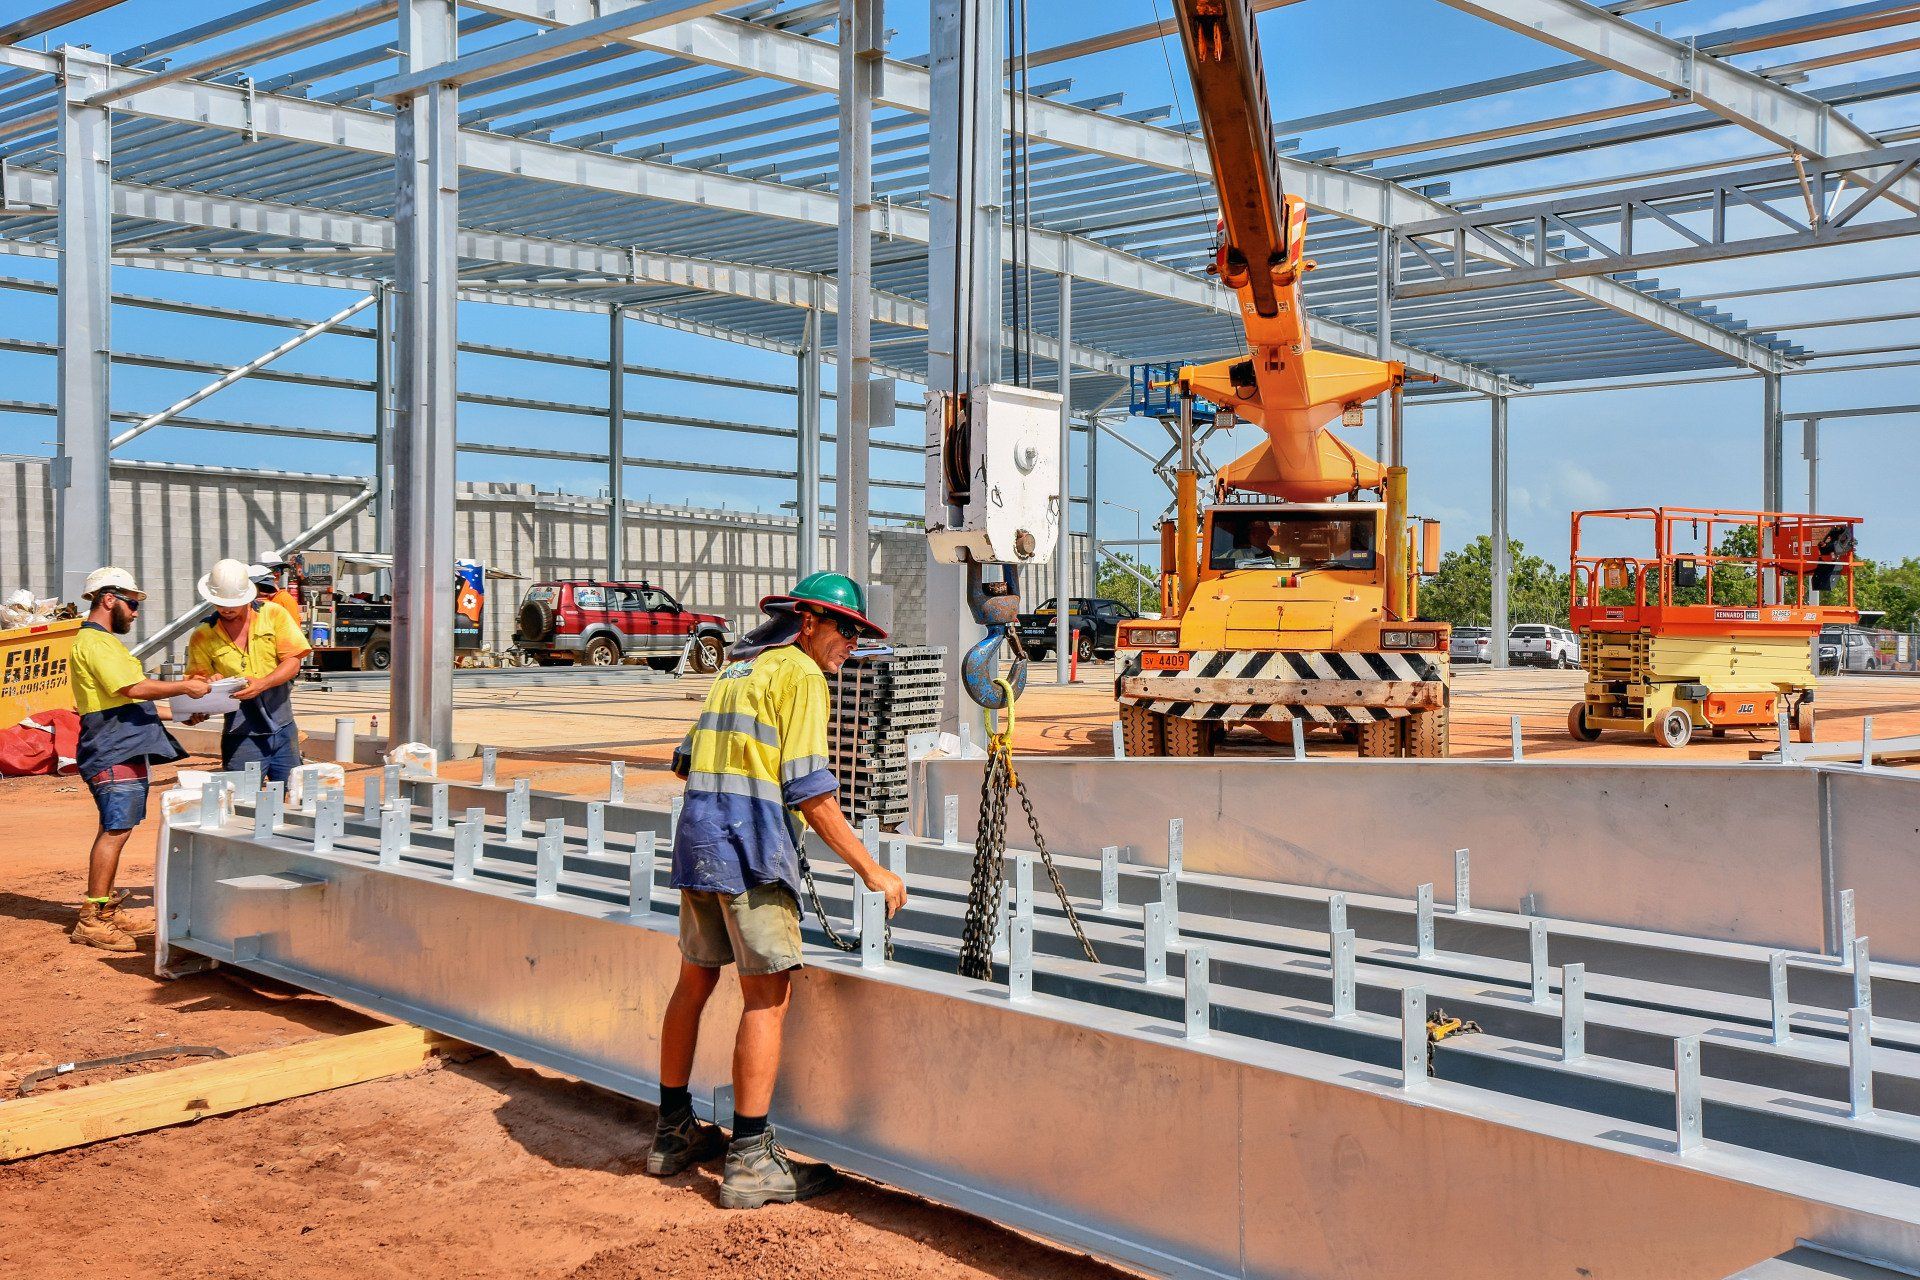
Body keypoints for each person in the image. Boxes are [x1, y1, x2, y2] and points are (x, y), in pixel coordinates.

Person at [647, 571, 907, 1209]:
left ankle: (672, 1133)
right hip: (751, 851)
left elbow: (685, 760)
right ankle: (750, 1158)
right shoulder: (802, 676)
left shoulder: (736, 669)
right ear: (809, 623)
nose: (852, 644)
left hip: (700, 842)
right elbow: (811, 790)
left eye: (859, 634)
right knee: (766, 996)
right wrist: (870, 869)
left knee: (693, 983)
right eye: (845, 629)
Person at [66, 567, 209, 952]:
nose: (135, 611)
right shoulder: (96, 643)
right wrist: (185, 687)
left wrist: (178, 714)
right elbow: (132, 687)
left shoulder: (103, 644)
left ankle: (104, 908)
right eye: (131, 603)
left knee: (117, 826)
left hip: (120, 743)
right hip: (113, 747)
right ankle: (93, 919)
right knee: (116, 829)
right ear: (108, 599)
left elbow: (124, 701)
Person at [183, 558, 311, 784]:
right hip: (241, 732)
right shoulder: (203, 635)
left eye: (233, 603)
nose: (226, 609)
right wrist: (211, 684)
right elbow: (197, 682)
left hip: (283, 727)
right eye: (220, 603)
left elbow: (293, 661)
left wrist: (263, 683)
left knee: (294, 795)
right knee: (242, 797)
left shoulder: (273, 614)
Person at [253, 549, 304, 627]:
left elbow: (294, 630)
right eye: (273, 569)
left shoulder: (284, 599)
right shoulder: (251, 597)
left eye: (279, 570)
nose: (277, 573)